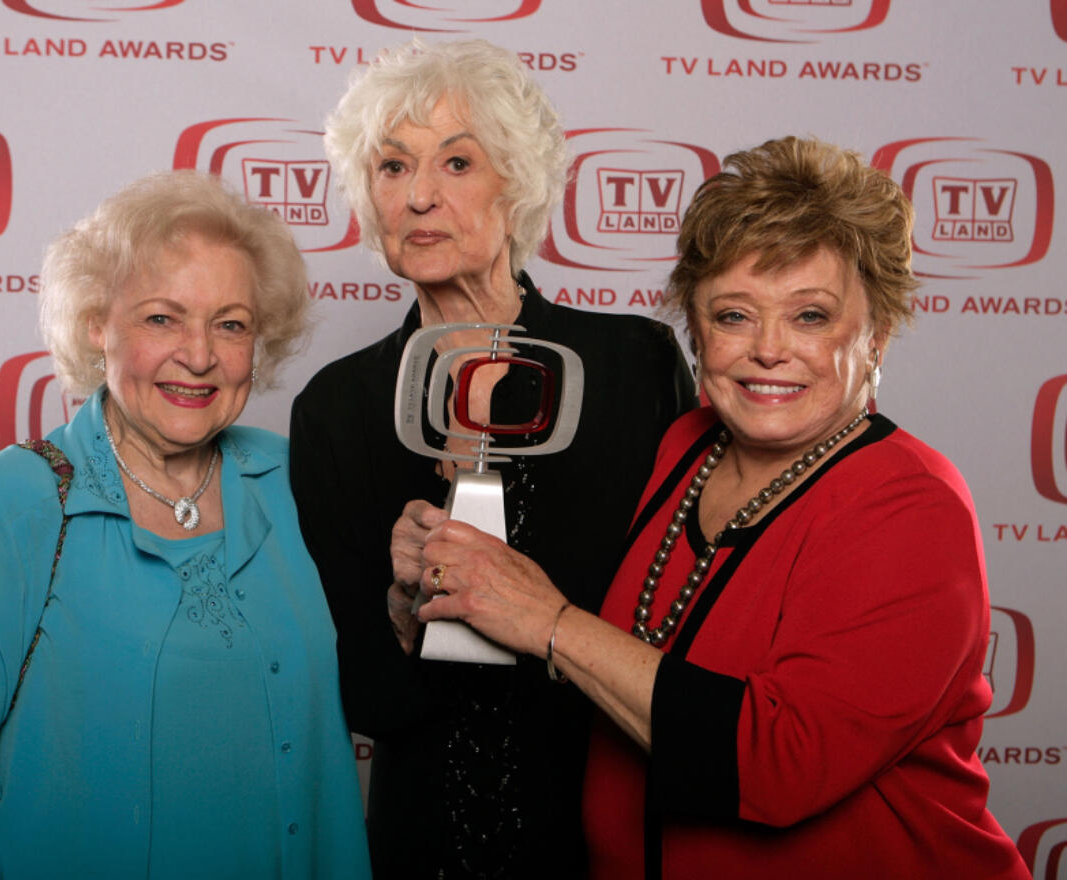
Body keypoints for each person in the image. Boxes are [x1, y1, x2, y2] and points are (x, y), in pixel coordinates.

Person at [396, 137, 1031, 879]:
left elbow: (779, 763)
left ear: (877, 334)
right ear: (695, 331)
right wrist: (445, 582)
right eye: (733, 315)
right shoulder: (685, 446)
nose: (767, 350)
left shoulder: (909, 504)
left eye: (810, 317)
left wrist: (546, 621)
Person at [0, 171, 371, 879]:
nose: (199, 356)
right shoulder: (8, 504)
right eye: (161, 318)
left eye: (230, 324)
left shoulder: (293, 480)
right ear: (95, 323)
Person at [289, 39, 694, 879]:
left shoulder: (635, 367)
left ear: (519, 182)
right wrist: (403, 606)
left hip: (611, 829)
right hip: (418, 840)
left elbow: (689, 632)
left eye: (457, 161)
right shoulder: (338, 406)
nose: (420, 195)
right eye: (393, 167)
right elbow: (365, 695)